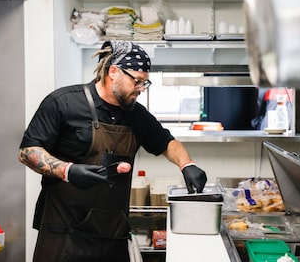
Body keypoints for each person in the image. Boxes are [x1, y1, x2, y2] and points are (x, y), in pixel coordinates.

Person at [18, 40, 207, 262]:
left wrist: (187, 164)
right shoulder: (63, 103)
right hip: (64, 232)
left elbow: (166, 142)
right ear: (114, 72)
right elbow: (27, 152)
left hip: (112, 234)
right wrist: (67, 171)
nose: (140, 89)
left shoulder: (136, 114)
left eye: (145, 84)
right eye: (137, 81)